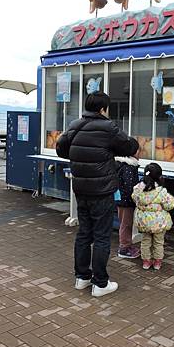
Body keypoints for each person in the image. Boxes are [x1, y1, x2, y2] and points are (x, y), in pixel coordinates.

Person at [56, 92, 139, 297]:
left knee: (84, 233)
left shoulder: (75, 125)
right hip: (102, 191)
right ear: (103, 109)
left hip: (81, 189)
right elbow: (129, 147)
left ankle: (82, 278)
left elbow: (61, 149)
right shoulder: (108, 127)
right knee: (101, 236)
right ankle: (100, 284)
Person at [132, 163, 174, 270]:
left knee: (145, 241)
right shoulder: (161, 191)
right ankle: (157, 263)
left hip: (144, 222)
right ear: (159, 176)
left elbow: (134, 199)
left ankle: (146, 262)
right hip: (158, 223)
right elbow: (170, 205)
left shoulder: (138, 189)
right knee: (158, 242)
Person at [115, 153, 140, 259]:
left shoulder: (121, 164)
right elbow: (130, 187)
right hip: (126, 201)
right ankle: (124, 248)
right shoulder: (128, 167)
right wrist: (135, 198)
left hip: (121, 199)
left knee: (124, 223)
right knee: (126, 224)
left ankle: (127, 245)